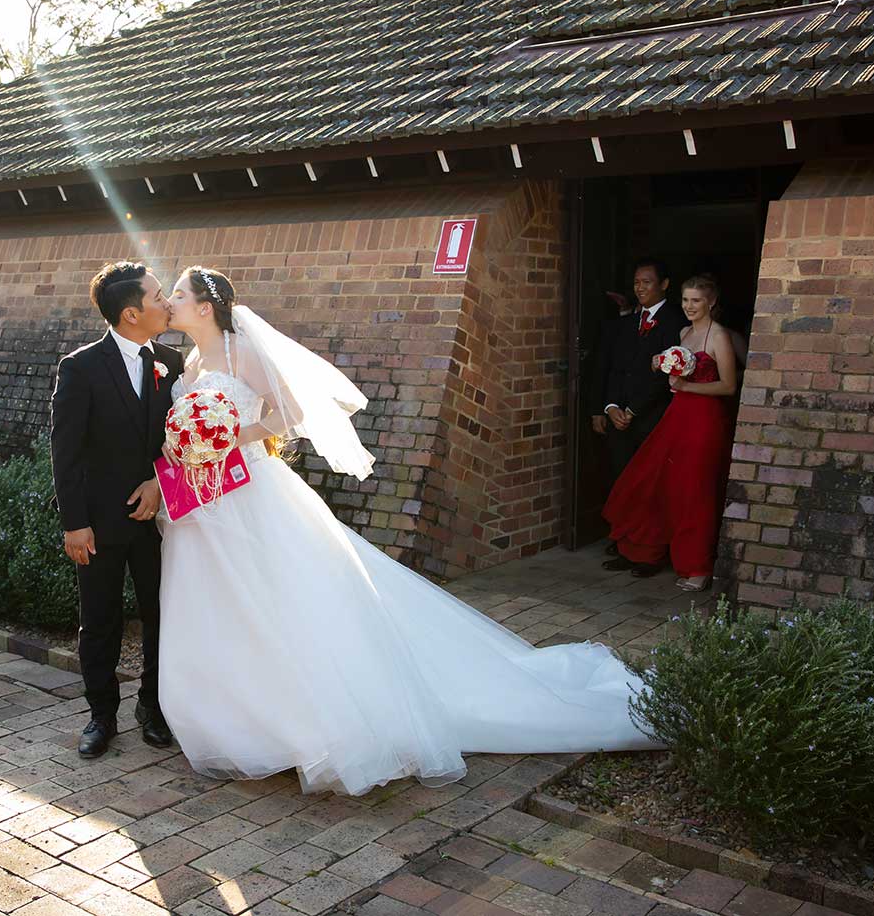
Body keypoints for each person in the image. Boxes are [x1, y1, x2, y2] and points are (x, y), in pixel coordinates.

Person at [151, 266, 660, 797]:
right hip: (206, 501)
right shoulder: (189, 361)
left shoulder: (241, 351)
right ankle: (241, 719)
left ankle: (307, 725)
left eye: (179, 296)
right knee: (227, 607)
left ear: (205, 308)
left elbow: (290, 413)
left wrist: (231, 437)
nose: (172, 302)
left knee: (283, 600)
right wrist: (185, 448)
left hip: (252, 490)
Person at [50, 262, 185, 758]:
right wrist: (74, 524)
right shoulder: (80, 367)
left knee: (160, 616)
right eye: (156, 296)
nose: (166, 302)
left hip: (160, 521)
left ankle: (152, 707)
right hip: (99, 524)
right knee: (100, 620)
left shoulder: (172, 361)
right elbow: (66, 452)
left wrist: (159, 485)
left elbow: (182, 445)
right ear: (131, 313)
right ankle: (100, 716)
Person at [601, 274, 739, 593]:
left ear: (711, 302)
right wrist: (661, 366)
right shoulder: (683, 332)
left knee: (695, 491)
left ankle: (698, 566)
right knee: (653, 480)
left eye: (697, 300)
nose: (689, 306)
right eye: (686, 300)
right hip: (678, 414)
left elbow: (729, 386)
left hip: (705, 419)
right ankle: (642, 548)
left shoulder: (718, 336)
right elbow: (673, 374)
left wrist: (688, 386)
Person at [591, 257, 685, 576]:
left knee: (650, 488)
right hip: (620, 416)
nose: (640, 288)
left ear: (664, 285)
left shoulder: (674, 321)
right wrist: (610, 407)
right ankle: (624, 544)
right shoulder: (628, 322)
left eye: (646, 282)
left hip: (651, 418)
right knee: (622, 482)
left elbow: (664, 376)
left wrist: (633, 410)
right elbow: (615, 366)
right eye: (636, 282)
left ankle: (650, 553)